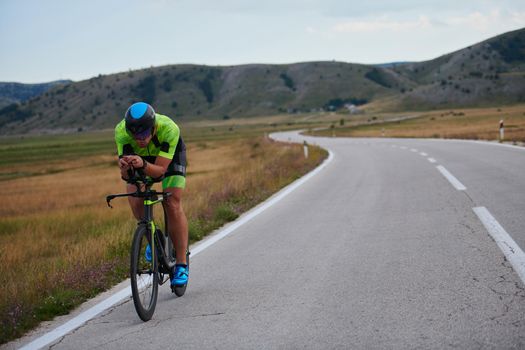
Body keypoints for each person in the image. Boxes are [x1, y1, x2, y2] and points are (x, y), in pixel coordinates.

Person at [114, 102, 189, 287]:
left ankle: (181, 264)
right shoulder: (121, 131)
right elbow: (127, 177)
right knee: (135, 200)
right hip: (140, 159)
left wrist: (143, 165)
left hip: (168, 160)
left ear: (153, 127)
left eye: (144, 133)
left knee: (171, 202)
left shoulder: (169, 128)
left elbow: (161, 172)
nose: (139, 138)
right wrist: (125, 169)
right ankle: (153, 237)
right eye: (135, 134)